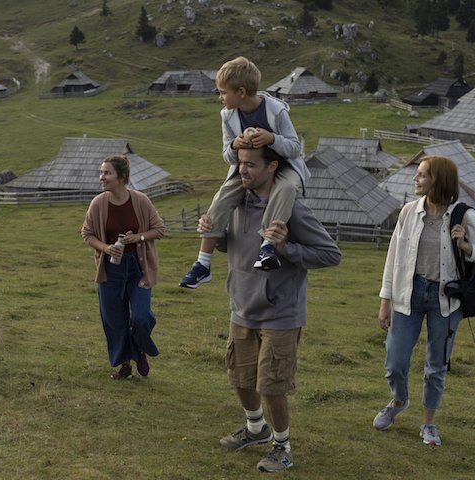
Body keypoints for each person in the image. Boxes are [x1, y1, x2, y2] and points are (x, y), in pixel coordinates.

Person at [201, 147, 341, 472]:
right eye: (240, 163)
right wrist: (215, 234)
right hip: (241, 307)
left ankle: (282, 447)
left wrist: (284, 248)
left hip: (280, 313)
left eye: (251, 164)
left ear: (272, 167)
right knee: (240, 377)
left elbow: (331, 254)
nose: (242, 170)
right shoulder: (235, 203)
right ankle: (255, 429)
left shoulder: (291, 209)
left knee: (272, 386)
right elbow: (234, 244)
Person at [374, 155, 475, 445]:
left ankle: (428, 424)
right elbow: (393, 258)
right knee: (395, 361)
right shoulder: (408, 212)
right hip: (409, 293)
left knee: (436, 365)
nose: (415, 178)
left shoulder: (464, 215)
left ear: (438, 180)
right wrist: (385, 300)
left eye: (421, 174)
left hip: (446, 299)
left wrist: (467, 246)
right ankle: (399, 401)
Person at [179, 56, 310, 289]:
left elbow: (294, 148)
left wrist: (272, 139)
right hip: (248, 167)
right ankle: (203, 263)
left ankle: (267, 247)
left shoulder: (276, 111)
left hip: (282, 166)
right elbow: (227, 155)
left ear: (240, 92)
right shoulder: (228, 116)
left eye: (223, 92)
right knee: (222, 198)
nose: (220, 98)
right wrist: (234, 145)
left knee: (287, 188)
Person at [81, 155, 165, 380]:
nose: (101, 177)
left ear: (121, 177)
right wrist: (106, 248)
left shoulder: (141, 201)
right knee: (115, 321)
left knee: (140, 317)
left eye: (107, 173)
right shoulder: (98, 203)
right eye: (101, 172)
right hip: (110, 270)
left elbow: (159, 229)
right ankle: (125, 365)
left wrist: (138, 237)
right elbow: (87, 234)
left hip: (138, 268)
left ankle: (140, 349)